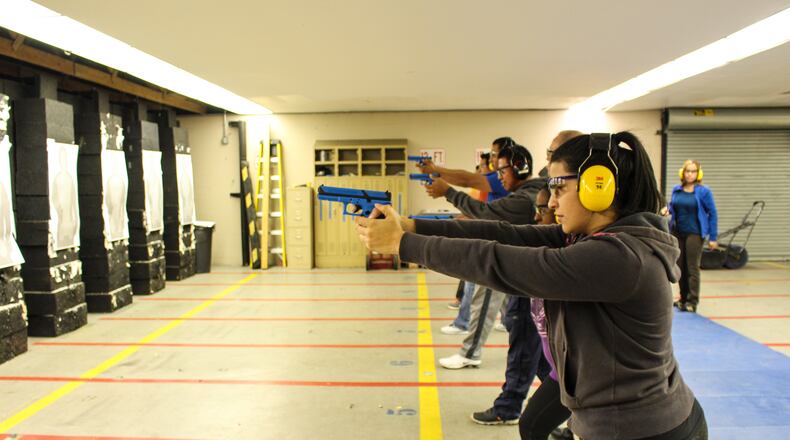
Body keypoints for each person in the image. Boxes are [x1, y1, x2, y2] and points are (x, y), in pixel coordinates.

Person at [356, 132, 707, 439]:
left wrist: (403, 245)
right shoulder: (589, 238)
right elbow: (502, 234)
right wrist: (412, 226)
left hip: (645, 432)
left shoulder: (621, 256)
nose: (551, 203)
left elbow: (500, 263)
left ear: (598, 187)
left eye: (559, 188)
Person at [666, 160, 718, 314]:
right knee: (680, 267)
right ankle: (682, 298)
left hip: (695, 233)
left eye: (693, 171)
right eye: (688, 171)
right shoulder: (677, 190)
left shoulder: (703, 191)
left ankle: (692, 300)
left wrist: (713, 237)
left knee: (692, 267)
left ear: (698, 173)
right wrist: (667, 210)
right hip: (678, 231)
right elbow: (673, 207)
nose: (690, 174)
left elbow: (713, 213)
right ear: (683, 172)